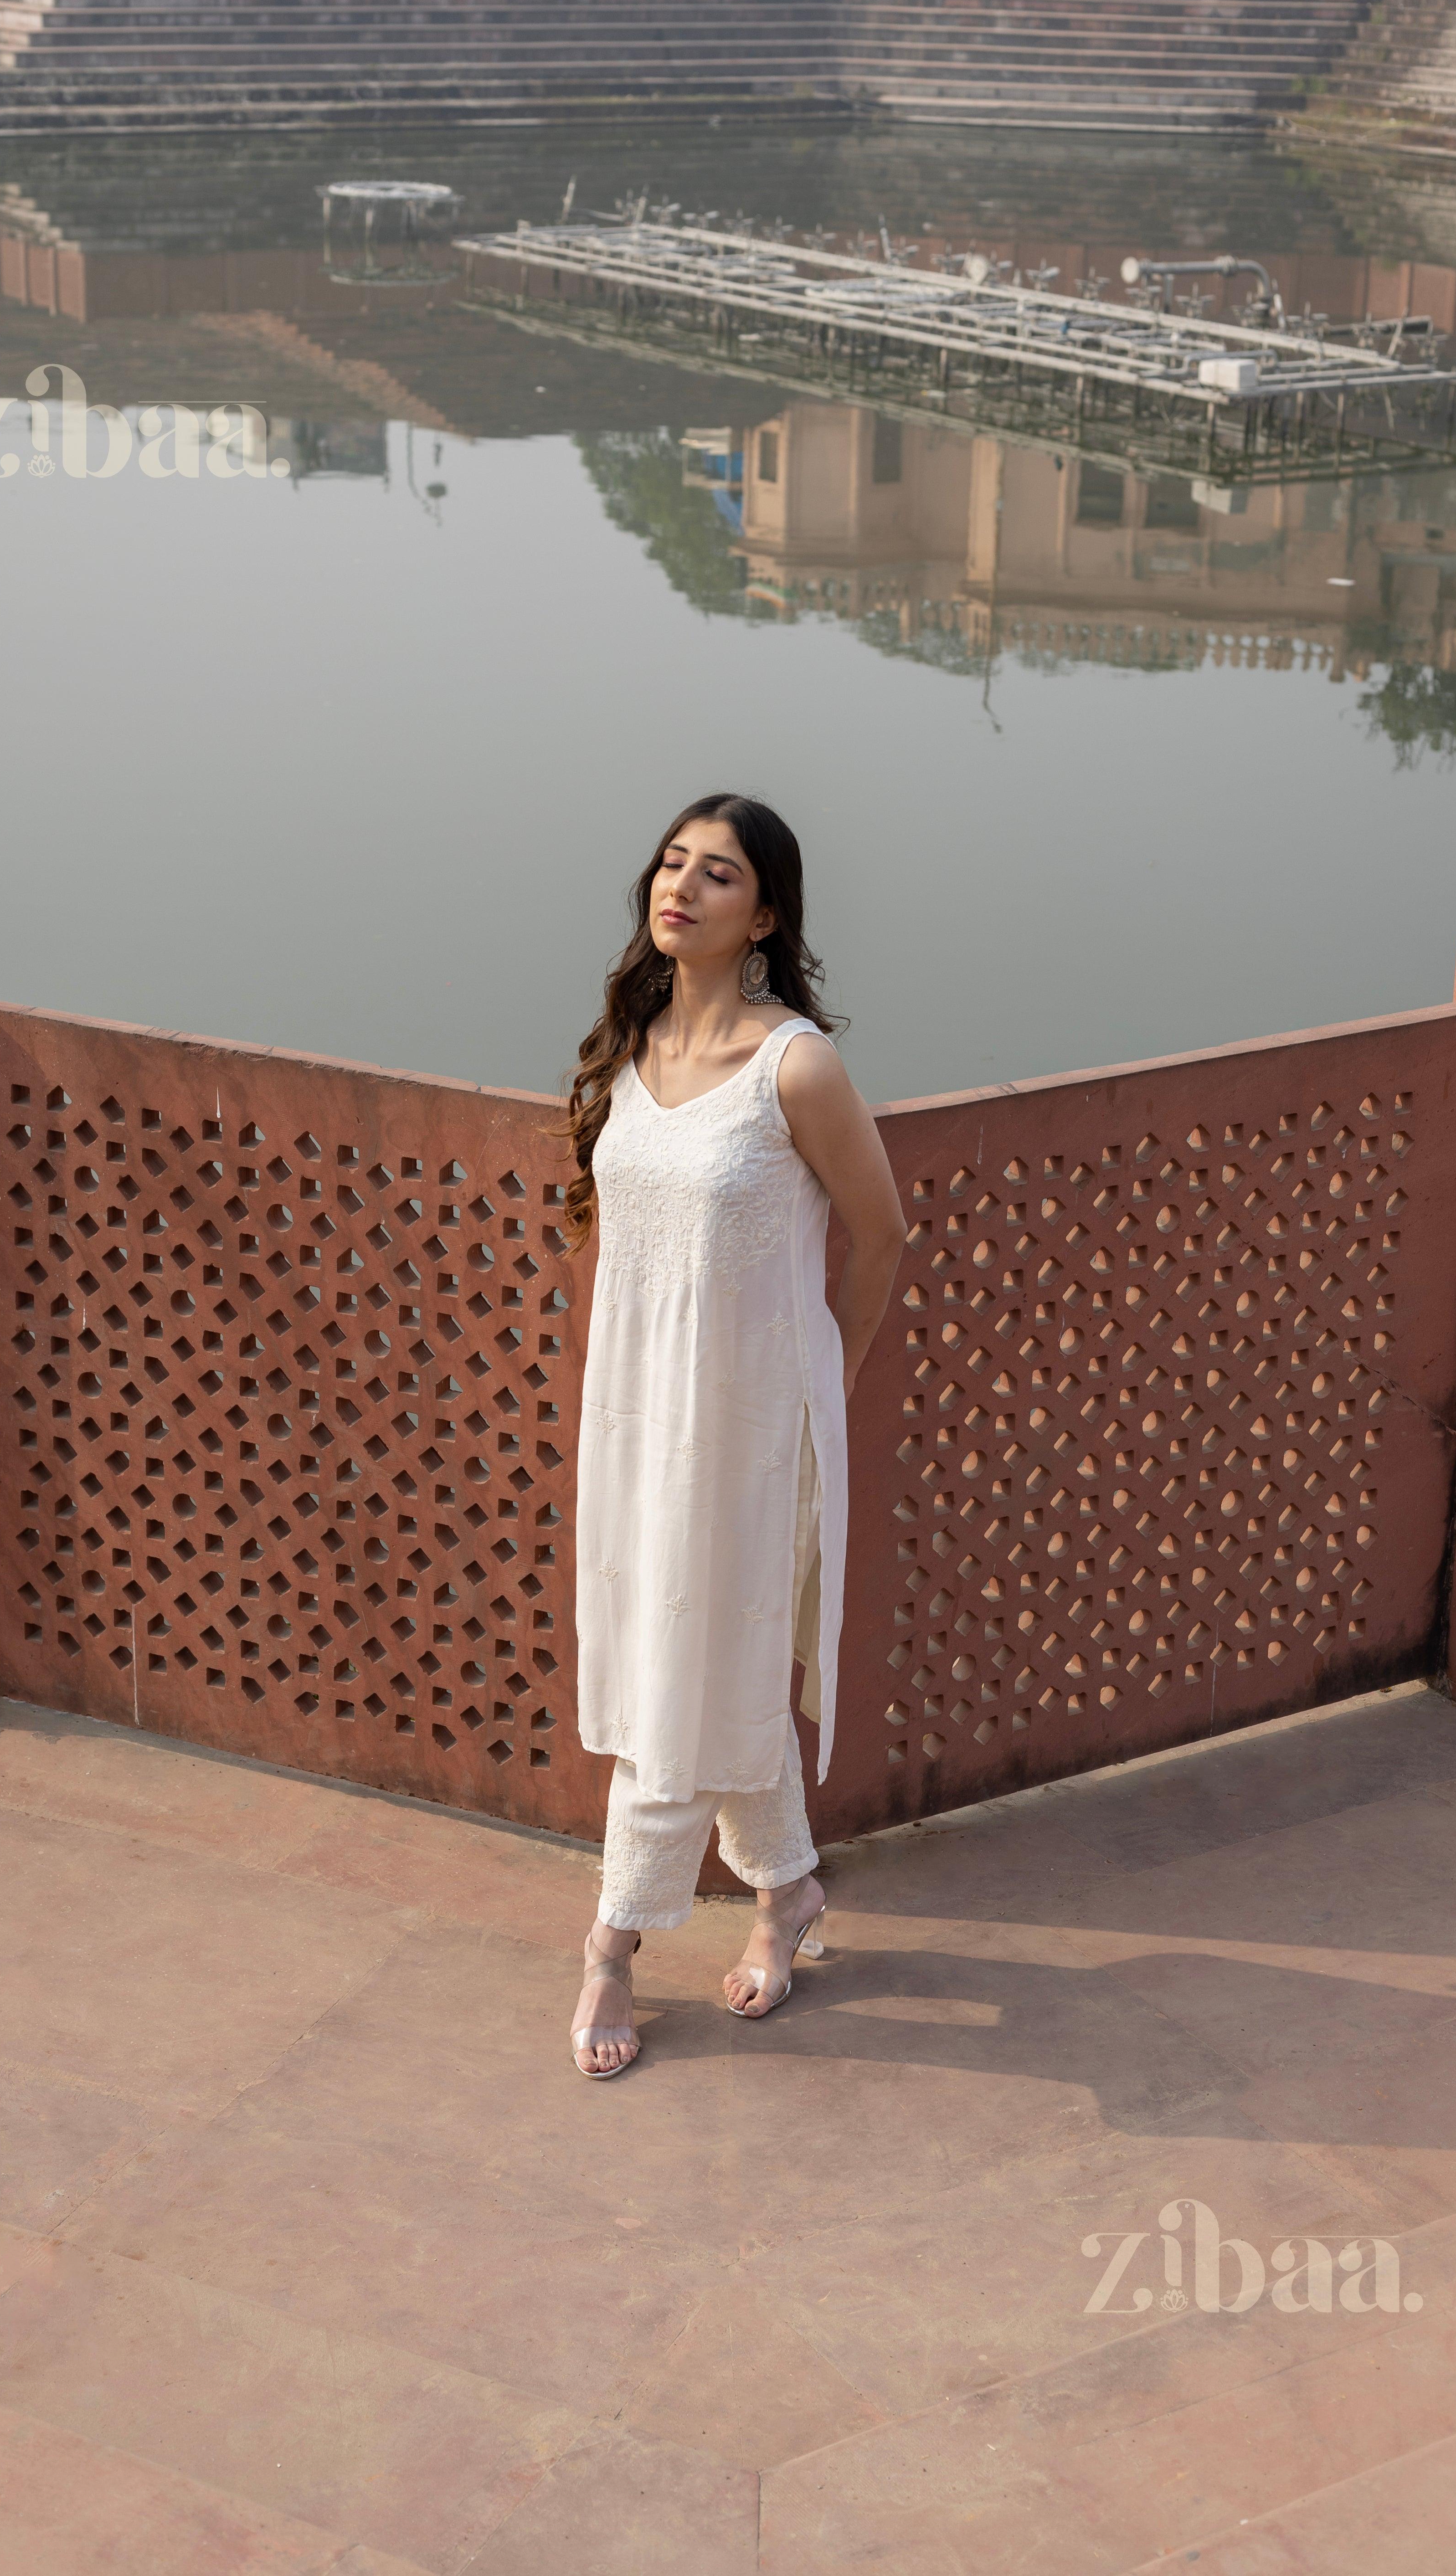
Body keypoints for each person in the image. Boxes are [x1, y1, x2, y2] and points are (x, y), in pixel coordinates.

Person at [564, 793, 904, 2078]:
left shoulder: (793, 1068)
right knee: (715, 1658)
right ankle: (789, 1892)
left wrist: (828, 1381)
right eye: (670, 862)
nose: (681, 887)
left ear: (763, 915)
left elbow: (880, 1238)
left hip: (757, 1432)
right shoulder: (634, 1044)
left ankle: (612, 1940)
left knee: (682, 1677)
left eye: (717, 874)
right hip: (641, 1421)